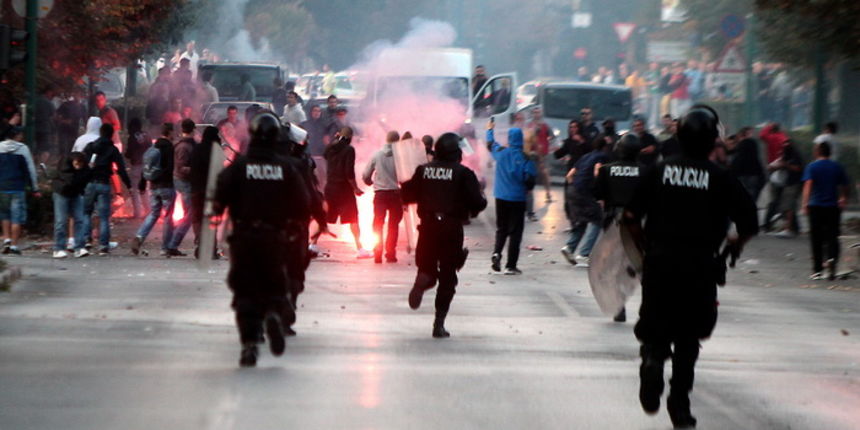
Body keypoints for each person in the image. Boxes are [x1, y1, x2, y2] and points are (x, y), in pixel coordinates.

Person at [624, 105, 757, 429]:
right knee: (689, 337)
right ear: (712, 140)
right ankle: (679, 404)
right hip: (700, 267)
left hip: (659, 264)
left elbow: (630, 217)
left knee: (655, 326)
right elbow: (749, 222)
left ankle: (652, 360)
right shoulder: (721, 178)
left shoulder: (658, 170)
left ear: (679, 136)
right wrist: (734, 245)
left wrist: (644, 249)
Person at [213, 112, 310, 367]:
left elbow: (219, 197)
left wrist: (215, 213)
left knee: (245, 290)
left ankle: (249, 344)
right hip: (274, 238)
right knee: (275, 283)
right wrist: (293, 229)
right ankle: (273, 315)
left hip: (244, 238)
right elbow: (303, 203)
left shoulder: (239, 167)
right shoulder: (286, 168)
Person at [402, 132, 487, 338]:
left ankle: (424, 279)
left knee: (427, 267)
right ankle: (438, 324)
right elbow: (477, 203)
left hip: (428, 226)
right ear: (456, 152)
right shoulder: (463, 173)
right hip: (451, 228)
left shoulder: (424, 170)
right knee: (448, 276)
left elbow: (407, 194)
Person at [593, 134, 642, 322]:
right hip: (637, 223)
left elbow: (597, 193)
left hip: (613, 222)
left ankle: (619, 306)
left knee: (614, 264)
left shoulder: (606, 170)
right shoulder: (646, 171)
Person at [487, 121, 537, 275]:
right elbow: (530, 180)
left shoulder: (501, 152)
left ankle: (497, 253)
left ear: (509, 139)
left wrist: (490, 130)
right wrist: (527, 188)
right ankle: (510, 265)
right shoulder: (526, 158)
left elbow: (490, 144)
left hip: (501, 196)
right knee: (515, 232)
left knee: (501, 228)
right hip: (517, 198)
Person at [315, 126, 372, 258]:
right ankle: (360, 249)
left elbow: (325, 155)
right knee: (353, 219)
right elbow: (349, 172)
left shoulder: (331, 147)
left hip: (330, 188)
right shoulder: (349, 150)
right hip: (344, 190)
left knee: (324, 218)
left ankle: (312, 244)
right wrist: (356, 188)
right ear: (350, 137)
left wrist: (334, 140)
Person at [561, 131, 610, 268]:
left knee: (582, 220)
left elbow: (569, 175)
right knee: (597, 219)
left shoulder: (586, 156)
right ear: (605, 146)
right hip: (585, 192)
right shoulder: (603, 156)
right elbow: (597, 171)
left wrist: (575, 186)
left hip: (572, 190)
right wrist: (599, 191)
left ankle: (569, 247)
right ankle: (584, 253)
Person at [82, 124, 132, 254]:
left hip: (90, 183)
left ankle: (86, 240)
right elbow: (121, 169)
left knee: (86, 213)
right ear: (111, 135)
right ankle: (103, 245)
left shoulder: (90, 147)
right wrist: (128, 185)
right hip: (104, 183)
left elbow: (82, 163)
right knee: (104, 216)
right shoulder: (112, 149)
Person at [801, 142, 848, 280]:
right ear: (830, 152)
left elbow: (808, 185)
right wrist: (843, 197)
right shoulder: (837, 166)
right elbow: (845, 185)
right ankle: (832, 258)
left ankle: (817, 269)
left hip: (815, 206)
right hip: (832, 206)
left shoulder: (812, 166)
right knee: (832, 235)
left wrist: (805, 203)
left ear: (817, 152)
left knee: (816, 237)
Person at [131, 123, 176, 256]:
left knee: (154, 214)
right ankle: (165, 247)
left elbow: (146, 167)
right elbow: (170, 167)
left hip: (153, 186)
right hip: (166, 186)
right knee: (168, 216)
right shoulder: (169, 147)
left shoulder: (154, 147)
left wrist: (143, 183)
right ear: (170, 132)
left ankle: (139, 236)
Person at [362, 131, 404, 263]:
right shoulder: (400, 157)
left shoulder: (377, 154)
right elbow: (405, 177)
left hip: (380, 194)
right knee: (393, 225)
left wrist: (370, 182)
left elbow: (366, 174)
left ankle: (378, 252)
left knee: (378, 224)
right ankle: (390, 253)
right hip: (395, 194)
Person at [0, 127, 38, 255]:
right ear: (16, 135)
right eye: (21, 134)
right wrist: (35, 187)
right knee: (16, 217)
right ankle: (14, 245)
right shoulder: (23, 149)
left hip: (2, 186)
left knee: (5, 215)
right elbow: (30, 169)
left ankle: (7, 239)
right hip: (17, 187)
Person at [50, 152, 91, 258]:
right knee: (61, 221)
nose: (78, 166)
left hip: (75, 193)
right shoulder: (65, 168)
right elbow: (71, 180)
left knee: (79, 220)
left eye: (80, 164)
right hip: (62, 193)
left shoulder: (83, 169)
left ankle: (79, 247)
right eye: (76, 164)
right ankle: (58, 248)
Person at [166, 119, 197, 256]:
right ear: (193, 130)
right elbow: (181, 167)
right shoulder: (184, 146)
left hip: (184, 181)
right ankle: (172, 244)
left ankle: (171, 244)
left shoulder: (185, 144)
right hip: (184, 182)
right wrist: (197, 169)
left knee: (187, 213)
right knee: (190, 214)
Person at [768, 139, 804, 237]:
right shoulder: (785, 156)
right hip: (788, 183)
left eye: (786, 145)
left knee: (788, 206)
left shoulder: (795, 156)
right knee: (786, 206)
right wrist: (777, 166)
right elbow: (773, 166)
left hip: (794, 183)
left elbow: (798, 168)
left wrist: (786, 165)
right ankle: (792, 228)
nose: (784, 147)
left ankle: (788, 229)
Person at [300, 104, 336, 190]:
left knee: (323, 179)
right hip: (309, 156)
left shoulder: (325, 125)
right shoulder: (305, 124)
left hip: (321, 156)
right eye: (315, 110)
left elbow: (331, 137)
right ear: (311, 112)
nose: (317, 113)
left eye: (318, 111)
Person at [526, 107, 555, 203]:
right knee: (529, 174)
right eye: (534, 112)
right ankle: (528, 193)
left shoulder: (545, 126)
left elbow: (552, 137)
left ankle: (548, 193)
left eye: (538, 112)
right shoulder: (529, 125)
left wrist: (548, 144)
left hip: (543, 154)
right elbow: (525, 137)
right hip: (531, 153)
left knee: (545, 173)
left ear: (540, 114)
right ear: (532, 114)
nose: (536, 114)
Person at [729, 127, 766, 203]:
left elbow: (737, 160)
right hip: (754, 174)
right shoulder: (753, 144)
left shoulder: (739, 146)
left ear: (741, 135)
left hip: (741, 174)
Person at [125, 118, 151, 219]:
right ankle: (149, 211)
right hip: (147, 165)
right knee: (145, 189)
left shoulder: (132, 137)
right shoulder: (146, 135)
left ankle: (137, 213)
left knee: (135, 190)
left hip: (136, 166)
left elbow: (129, 153)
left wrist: (127, 155)